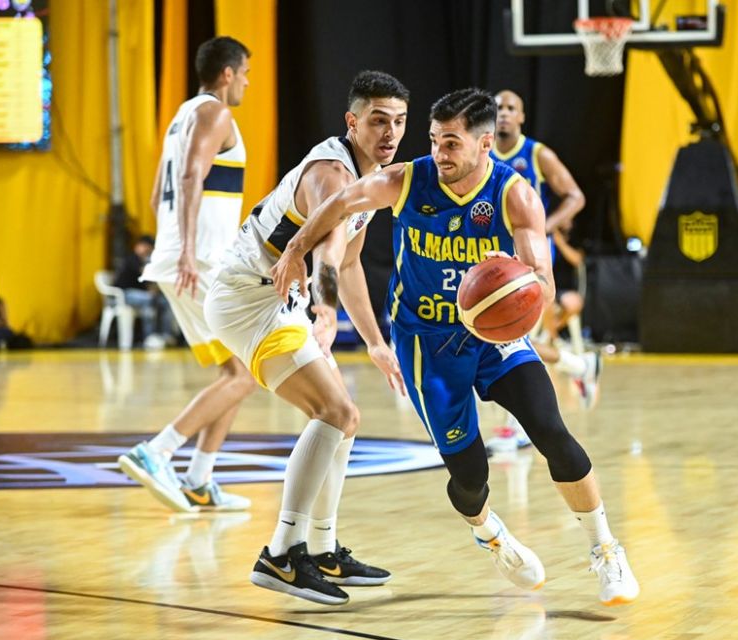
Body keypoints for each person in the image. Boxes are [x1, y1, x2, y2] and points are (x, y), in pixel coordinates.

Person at [276, 88, 639, 606]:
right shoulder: (406, 180)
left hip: (494, 336)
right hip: (427, 341)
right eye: (433, 140)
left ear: (484, 143)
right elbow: (339, 203)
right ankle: (490, 532)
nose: (439, 153)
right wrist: (295, 248)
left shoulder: (514, 194)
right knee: (470, 476)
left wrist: (515, 288)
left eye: (451, 143)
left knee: (551, 431)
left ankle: (605, 548)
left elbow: (543, 282)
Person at [203, 71, 410, 605]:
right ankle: (280, 554)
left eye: (399, 121)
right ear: (352, 122)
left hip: (281, 300)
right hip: (250, 299)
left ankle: (321, 549)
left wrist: (375, 341)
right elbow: (327, 252)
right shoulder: (330, 174)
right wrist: (325, 308)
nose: (390, 133)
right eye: (378, 121)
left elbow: (351, 262)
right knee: (334, 412)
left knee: (345, 420)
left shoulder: (369, 180)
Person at [117, 36, 256, 513]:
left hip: (181, 257)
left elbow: (157, 194)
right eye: (245, 74)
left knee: (236, 371)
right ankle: (156, 452)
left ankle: (198, 480)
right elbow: (191, 176)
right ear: (227, 74)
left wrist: (176, 247)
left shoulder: (181, 117)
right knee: (245, 373)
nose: (247, 83)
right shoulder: (216, 113)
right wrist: (190, 251)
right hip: (200, 262)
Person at [486, 90, 599, 453]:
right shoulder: (482, 151)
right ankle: (579, 366)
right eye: (499, 108)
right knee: (504, 340)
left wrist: (545, 227)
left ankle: (514, 428)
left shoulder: (537, 154)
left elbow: (576, 196)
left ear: (522, 117)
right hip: (494, 255)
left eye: (511, 108)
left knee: (511, 341)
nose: (504, 113)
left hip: (531, 259)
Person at [113, 235, 175, 349]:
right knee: (149, 300)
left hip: (141, 294)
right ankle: (149, 337)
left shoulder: (146, 261)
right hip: (125, 294)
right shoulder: (131, 259)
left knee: (164, 301)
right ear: (138, 246)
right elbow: (146, 274)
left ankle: (166, 335)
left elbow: (147, 283)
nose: (147, 251)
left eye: (149, 249)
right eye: (145, 247)